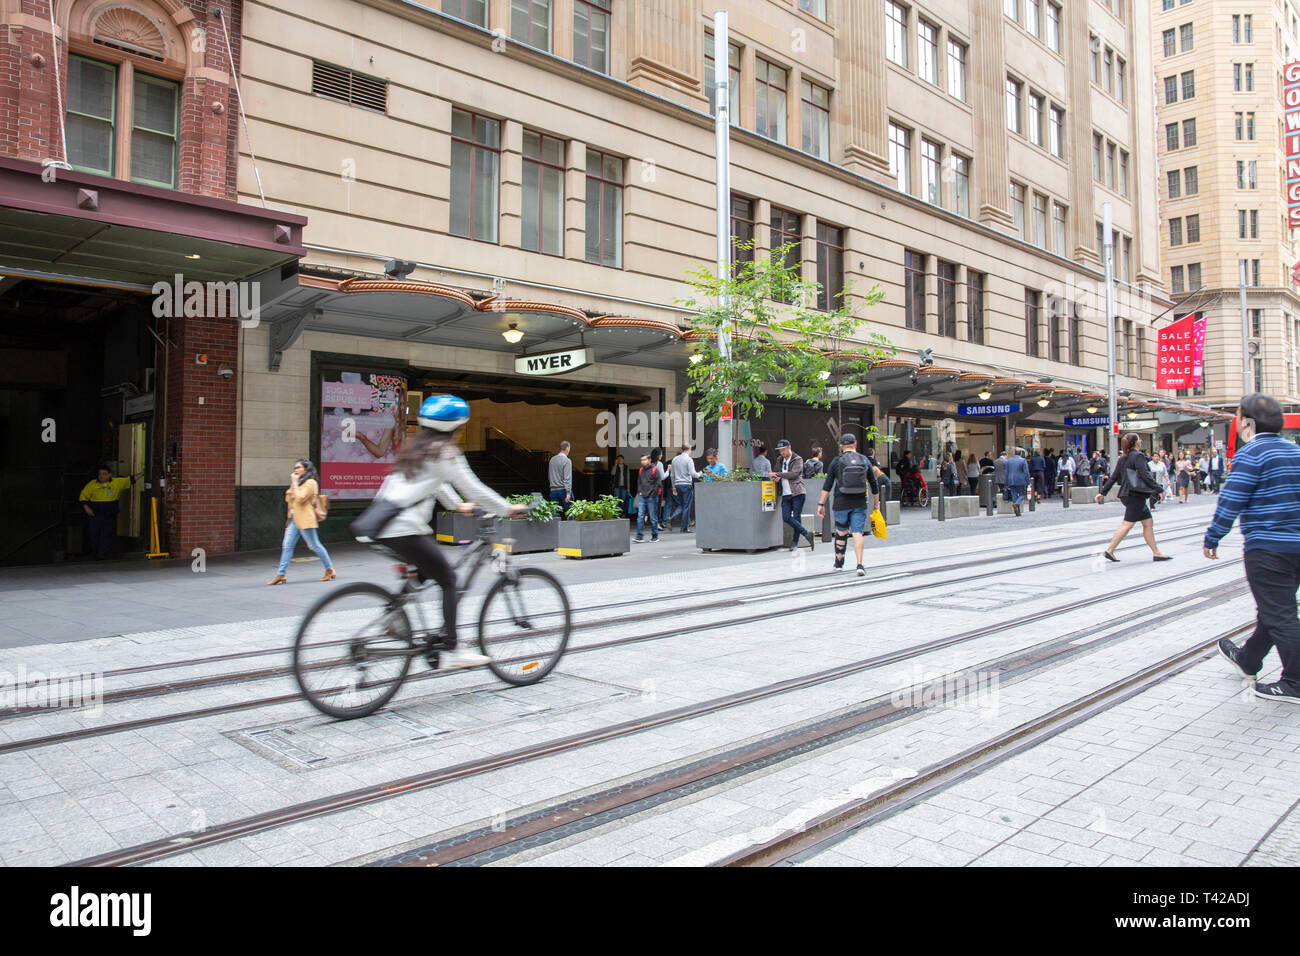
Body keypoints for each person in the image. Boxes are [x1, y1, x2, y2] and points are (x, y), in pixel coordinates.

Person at [360, 395, 525, 670]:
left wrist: (456, 506)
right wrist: (507, 508)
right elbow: (474, 488)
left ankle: (393, 616)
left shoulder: (416, 450)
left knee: (424, 570)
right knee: (448, 579)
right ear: (456, 427)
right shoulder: (445, 453)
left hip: (378, 526)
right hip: (405, 529)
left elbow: (435, 483)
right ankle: (452, 648)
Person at [1206, 394, 1300, 704]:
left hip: (1268, 548)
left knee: (1281, 614)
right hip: (1296, 546)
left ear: (1247, 422)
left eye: (1238, 417)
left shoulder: (1252, 454)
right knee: (1275, 608)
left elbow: (1232, 499)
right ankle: (1249, 658)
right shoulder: (1295, 451)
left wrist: (1213, 536)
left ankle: (1295, 682)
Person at [1096, 432, 1170, 562]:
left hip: (1128, 495)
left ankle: (1156, 552)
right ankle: (1109, 550)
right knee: (1127, 524)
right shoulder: (1138, 456)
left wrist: (1103, 492)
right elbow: (1145, 475)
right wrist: (1159, 489)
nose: (1141, 441)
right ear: (1136, 443)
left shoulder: (1123, 458)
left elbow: (1114, 476)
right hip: (1135, 495)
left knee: (1148, 523)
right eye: (1139, 439)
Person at [818, 434, 879, 575]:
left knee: (841, 532)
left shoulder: (836, 462)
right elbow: (874, 485)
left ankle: (839, 562)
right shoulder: (864, 460)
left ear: (841, 446)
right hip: (859, 502)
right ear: (855, 444)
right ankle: (859, 564)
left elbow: (827, 485)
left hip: (841, 502)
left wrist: (820, 504)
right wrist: (876, 504)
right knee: (857, 532)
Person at [268, 459, 336, 584]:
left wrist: (294, 485)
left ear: (306, 469)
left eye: (298, 467)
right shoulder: (299, 482)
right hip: (294, 519)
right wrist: (294, 485)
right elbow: (288, 497)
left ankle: (329, 569)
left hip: (305, 519)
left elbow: (300, 498)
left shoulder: (311, 483)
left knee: (314, 545)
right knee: (287, 545)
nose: (296, 470)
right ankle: (281, 574)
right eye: (295, 468)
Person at [78, 464, 142, 559]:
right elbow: (83, 497)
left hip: (109, 515)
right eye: (100, 474)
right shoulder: (92, 484)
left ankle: (102, 555)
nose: (101, 476)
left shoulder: (116, 483)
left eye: (104, 474)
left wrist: (144, 472)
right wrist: (87, 508)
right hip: (95, 514)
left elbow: (131, 479)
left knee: (106, 535)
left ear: (109, 475)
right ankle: (95, 554)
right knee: (94, 535)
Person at [774, 439, 815, 551]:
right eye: (780, 450)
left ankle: (795, 542)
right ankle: (807, 534)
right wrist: (775, 477)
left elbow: (794, 474)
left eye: (783, 450)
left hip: (797, 492)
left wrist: (778, 474)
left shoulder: (798, 459)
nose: (781, 452)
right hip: (785, 493)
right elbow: (776, 472)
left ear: (789, 447)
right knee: (786, 517)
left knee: (796, 517)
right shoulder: (779, 459)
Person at [634, 453, 666, 543]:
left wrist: (653, 493)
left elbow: (658, 483)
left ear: (649, 460)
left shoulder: (655, 470)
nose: (642, 462)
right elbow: (639, 482)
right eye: (641, 460)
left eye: (644, 460)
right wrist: (640, 492)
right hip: (643, 496)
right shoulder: (641, 470)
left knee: (653, 517)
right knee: (640, 517)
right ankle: (639, 536)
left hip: (652, 497)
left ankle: (655, 536)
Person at [670, 444, 702, 532]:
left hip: (677, 484)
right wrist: (700, 474)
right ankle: (683, 528)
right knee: (687, 506)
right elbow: (693, 474)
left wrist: (673, 487)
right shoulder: (689, 459)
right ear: (689, 449)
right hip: (686, 485)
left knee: (682, 504)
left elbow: (672, 475)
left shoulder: (675, 459)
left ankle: (671, 518)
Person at [548, 441, 573, 518]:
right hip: (563, 491)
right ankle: (570, 530)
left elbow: (549, 476)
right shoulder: (567, 461)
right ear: (567, 448)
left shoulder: (552, 459)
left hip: (553, 491)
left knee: (555, 515)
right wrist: (568, 492)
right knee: (570, 513)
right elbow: (567, 478)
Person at [1005, 450, 1030, 517]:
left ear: (1014, 453)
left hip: (1011, 479)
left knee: (1014, 495)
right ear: (1021, 454)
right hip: (1020, 480)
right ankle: (1016, 504)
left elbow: (1006, 472)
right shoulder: (1023, 460)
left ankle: (1017, 511)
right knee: (1022, 494)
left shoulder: (1009, 461)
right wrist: (1028, 481)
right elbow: (1026, 472)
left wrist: (1006, 481)